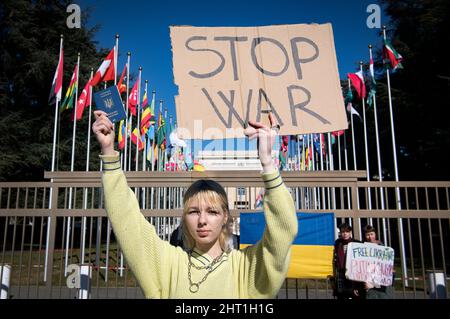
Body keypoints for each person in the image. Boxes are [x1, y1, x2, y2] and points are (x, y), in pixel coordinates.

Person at [92, 110, 298, 298]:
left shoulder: (245, 268)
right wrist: (109, 152)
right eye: (193, 211)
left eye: (212, 212)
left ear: (225, 216)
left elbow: (284, 230)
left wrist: (268, 163)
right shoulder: (168, 264)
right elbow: (128, 223)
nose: (202, 221)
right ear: (184, 217)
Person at [332, 222, 365, 300]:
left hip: (353, 274)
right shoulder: (337, 243)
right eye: (343, 232)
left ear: (350, 232)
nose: (345, 234)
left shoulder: (357, 243)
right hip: (341, 273)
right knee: (341, 295)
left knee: (353, 295)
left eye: (347, 232)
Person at [362, 225, 394, 299]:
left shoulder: (383, 247)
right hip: (368, 283)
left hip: (382, 284)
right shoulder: (362, 248)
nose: (370, 237)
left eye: (372, 234)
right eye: (367, 235)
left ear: (375, 234)